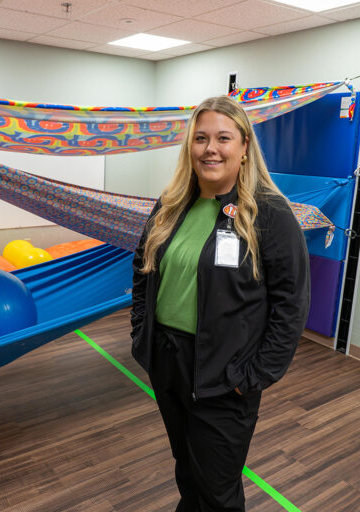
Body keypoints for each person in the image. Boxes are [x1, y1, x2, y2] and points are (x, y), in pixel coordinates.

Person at [130, 95, 310, 512]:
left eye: (223, 138)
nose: (210, 149)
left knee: (218, 488)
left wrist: (252, 375)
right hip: (168, 362)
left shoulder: (269, 214)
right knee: (187, 469)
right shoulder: (172, 205)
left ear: (244, 147)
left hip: (225, 374)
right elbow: (143, 271)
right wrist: (143, 334)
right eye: (201, 138)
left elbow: (291, 305)